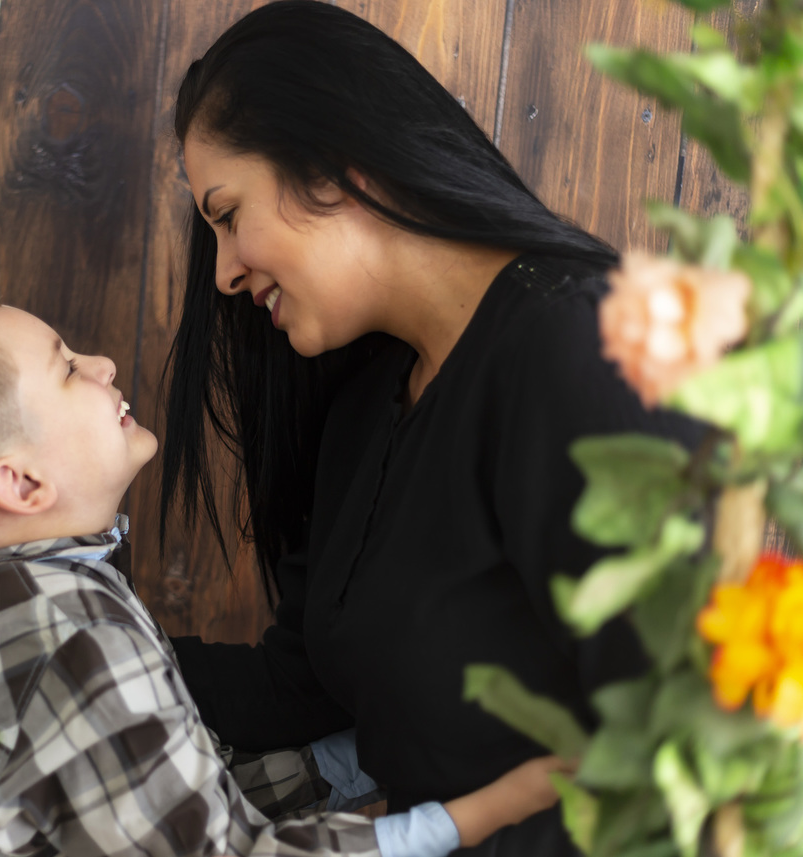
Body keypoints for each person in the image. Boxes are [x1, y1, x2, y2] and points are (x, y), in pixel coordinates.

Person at [159, 3, 706, 855]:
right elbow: (299, 686)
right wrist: (63, 640)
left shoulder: (583, 346)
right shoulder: (363, 407)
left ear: (335, 169)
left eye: (228, 215)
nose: (224, 271)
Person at [0, 287, 568, 857]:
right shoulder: (74, 643)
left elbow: (176, 800)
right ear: (21, 486)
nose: (103, 364)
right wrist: (479, 811)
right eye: (67, 366)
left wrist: (356, 758)